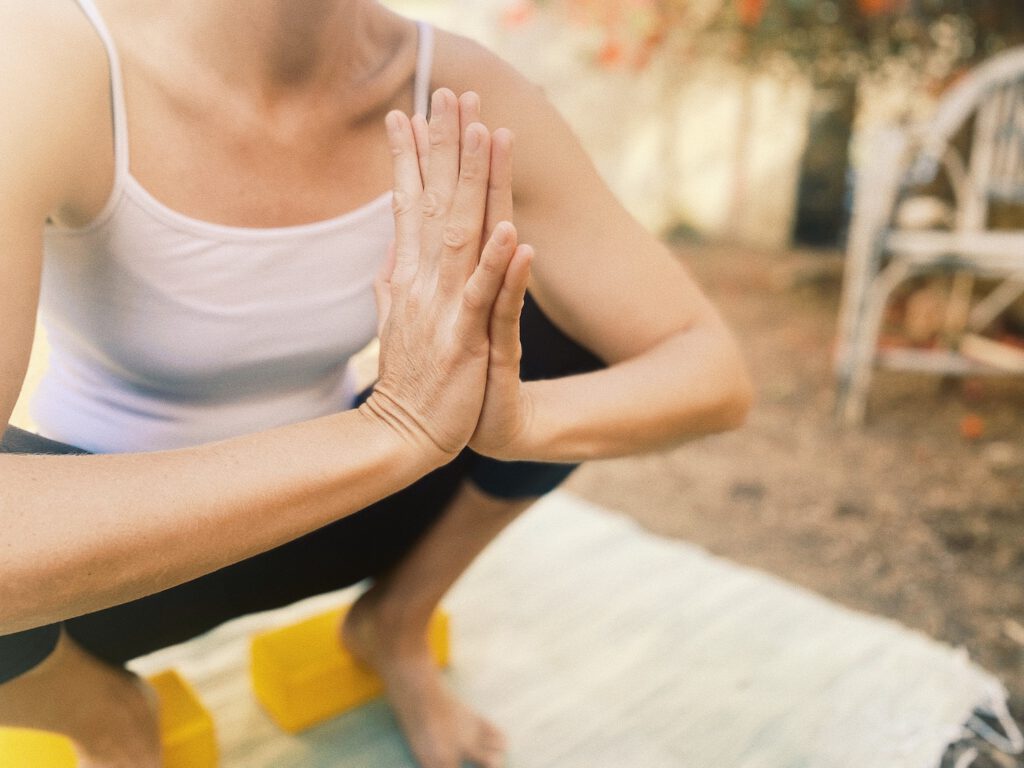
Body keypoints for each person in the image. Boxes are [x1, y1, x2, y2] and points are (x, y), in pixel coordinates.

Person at [0, 1, 753, 766]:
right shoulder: (46, 59)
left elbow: (707, 369)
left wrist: (515, 417)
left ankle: (394, 625)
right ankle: (108, 717)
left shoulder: (460, 88)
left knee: (557, 335)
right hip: (111, 567)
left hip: (349, 511)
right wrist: (393, 429)